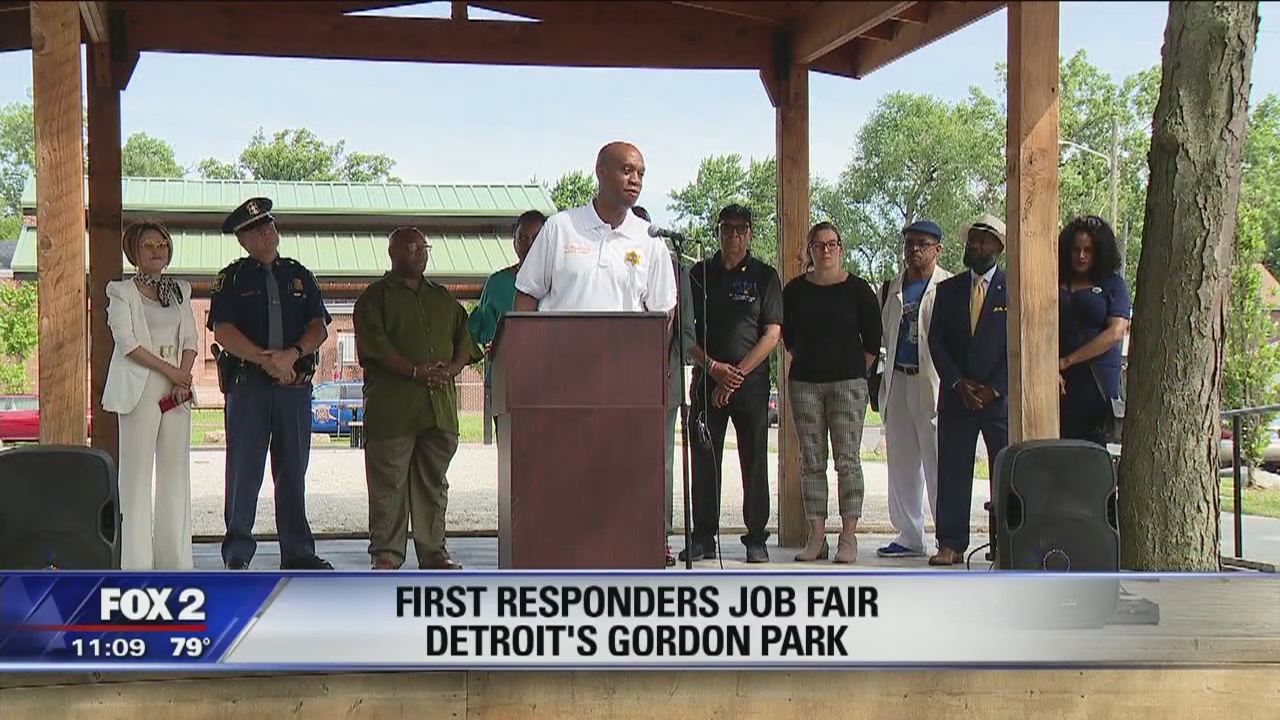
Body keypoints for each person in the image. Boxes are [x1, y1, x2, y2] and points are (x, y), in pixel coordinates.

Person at [208, 197, 333, 570]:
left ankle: (298, 553)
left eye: (268, 224)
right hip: (249, 387)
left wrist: (291, 355)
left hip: (293, 387)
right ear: (242, 241)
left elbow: (319, 327)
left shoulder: (299, 274)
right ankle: (237, 554)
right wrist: (268, 360)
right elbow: (224, 330)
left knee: (293, 470)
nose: (264, 232)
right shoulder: (230, 278)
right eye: (254, 230)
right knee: (244, 471)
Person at [354, 227, 483, 570]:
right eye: (410, 247)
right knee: (388, 487)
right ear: (392, 253)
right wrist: (415, 371)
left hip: (437, 411)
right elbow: (374, 348)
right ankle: (386, 555)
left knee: (433, 484)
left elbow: (466, 343)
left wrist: (452, 369)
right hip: (393, 411)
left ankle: (433, 553)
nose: (419, 252)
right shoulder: (375, 298)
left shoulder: (443, 298)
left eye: (423, 247)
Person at [683, 204, 783, 564]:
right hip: (707, 381)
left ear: (751, 233)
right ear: (718, 232)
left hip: (751, 385)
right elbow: (684, 333)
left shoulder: (764, 275)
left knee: (754, 460)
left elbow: (772, 333)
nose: (734, 236)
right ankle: (703, 537)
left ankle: (756, 537)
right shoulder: (698, 274)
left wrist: (735, 374)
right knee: (704, 460)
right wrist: (713, 369)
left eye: (741, 229)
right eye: (727, 229)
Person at [781, 222, 883, 564]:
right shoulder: (794, 291)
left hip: (848, 385)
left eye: (832, 244)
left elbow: (872, 341)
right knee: (811, 461)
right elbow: (789, 338)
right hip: (805, 383)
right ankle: (816, 537)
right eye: (819, 244)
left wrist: (850, 369)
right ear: (809, 250)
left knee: (848, 461)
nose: (826, 250)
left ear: (841, 248)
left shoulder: (859, 290)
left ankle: (849, 537)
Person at [102, 221, 199, 570]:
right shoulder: (120, 292)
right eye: (148, 245)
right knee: (136, 477)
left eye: (162, 244)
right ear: (134, 252)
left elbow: (191, 339)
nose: (157, 250)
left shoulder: (180, 291)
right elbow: (128, 343)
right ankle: (136, 565)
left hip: (177, 390)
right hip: (141, 387)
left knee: (175, 475)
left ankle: (175, 563)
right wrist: (171, 372)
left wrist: (183, 378)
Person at [927, 214, 1010, 567]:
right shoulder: (948, 290)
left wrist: (996, 388)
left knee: (1004, 473)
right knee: (953, 471)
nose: (975, 246)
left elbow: (1018, 344)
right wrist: (958, 383)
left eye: (983, 241)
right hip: (957, 396)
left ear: (999, 248)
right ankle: (951, 544)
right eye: (972, 240)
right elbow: (936, 342)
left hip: (997, 400)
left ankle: (1004, 542)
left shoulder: (1014, 289)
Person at [513, 142, 676, 314]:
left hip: (625, 342)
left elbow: (663, 312)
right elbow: (527, 294)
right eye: (626, 171)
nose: (635, 180)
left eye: (640, 174)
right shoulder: (559, 228)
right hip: (562, 341)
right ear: (600, 171)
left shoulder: (650, 239)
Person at [876, 220, 952, 559]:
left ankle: (947, 537)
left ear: (938, 249)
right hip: (898, 378)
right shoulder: (890, 288)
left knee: (937, 461)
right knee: (902, 462)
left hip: (932, 382)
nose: (914, 250)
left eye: (922, 244)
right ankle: (909, 535)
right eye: (909, 244)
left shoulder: (949, 286)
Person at [634, 205, 696, 566]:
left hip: (663, 381)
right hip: (613, 383)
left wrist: (665, 366)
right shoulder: (610, 266)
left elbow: (687, 334)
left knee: (660, 464)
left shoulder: (676, 270)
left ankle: (660, 537)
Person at [1057, 215, 1131, 445]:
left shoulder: (1113, 284)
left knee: (1094, 458)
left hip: (1097, 384)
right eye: (1076, 249)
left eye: (1088, 250)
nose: (1081, 256)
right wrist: (1050, 367)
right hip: (1059, 384)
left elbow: (1116, 332)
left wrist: (1067, 360)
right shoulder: (1055, 281)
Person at [470, 210, 546, 424]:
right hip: (507, 381)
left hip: (550, 378)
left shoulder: (561, 281)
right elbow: (478, 331)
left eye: (536, 238)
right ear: (514, 242)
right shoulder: (497, 283)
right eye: (522, 237)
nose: (528, 244)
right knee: (511, 451)